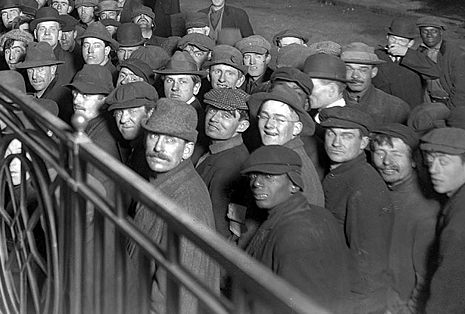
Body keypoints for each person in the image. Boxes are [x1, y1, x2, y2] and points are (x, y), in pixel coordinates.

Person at [127, 98, 219, 314]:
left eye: (170, 140)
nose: (158, 147)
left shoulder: (185, 202)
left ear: (187, 150)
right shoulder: (162, 182)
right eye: (153, 136)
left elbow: (175, 301)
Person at [241, 146, 350, 310]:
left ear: (294, 184)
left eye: (269, 176)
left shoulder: (294, 233)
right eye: (254, 175)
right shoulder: (317, 214)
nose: (256, 183)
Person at [319, 107, 394, 314]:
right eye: (331, 133)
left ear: (363, 143)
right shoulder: (338, 173)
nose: (336, 142)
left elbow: (369, 268)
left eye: (347, 136)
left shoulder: (364, 187)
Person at [368, 123, 439, 314]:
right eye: (380, 152)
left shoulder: (424, 209)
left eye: (396, 154)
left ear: (414, 160)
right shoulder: (380, 192)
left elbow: (426, 280)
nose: (386, 162)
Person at [420, 125, 465, 314]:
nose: (433, 169)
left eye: (444, 162)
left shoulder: (460, 217)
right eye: (430, 160)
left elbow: (449, 288)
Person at [196, 88, 251, 239]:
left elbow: (218, 229)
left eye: (225, 116)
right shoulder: (219, 149)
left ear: (242, 126)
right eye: (212, 111)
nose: (214, 119)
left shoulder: (229, 166)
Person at [340, 42, 410, 124]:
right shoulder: (329, 101)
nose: (355, 76)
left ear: (374, 72)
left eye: (363, 70)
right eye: (349, 69)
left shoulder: (396, 108)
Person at [104, 81, 158, 178]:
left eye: (132, 111)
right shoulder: (137, 148)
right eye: (119, 112)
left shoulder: (150, 158)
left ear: (150, 112)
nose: (123, 120)